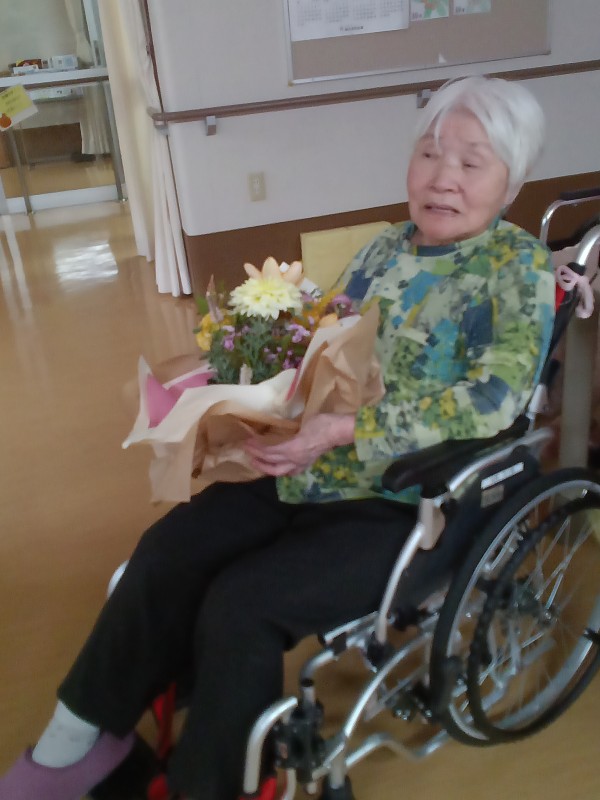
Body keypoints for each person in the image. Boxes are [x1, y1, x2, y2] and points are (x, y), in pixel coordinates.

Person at [0, 75, 555, 800]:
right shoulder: (383, 248)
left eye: (471, 162)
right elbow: (323, 345)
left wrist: (343, 428)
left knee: (242, 605)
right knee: (169, 549)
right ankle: (78, 741)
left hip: (410, 501)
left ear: (513, 182)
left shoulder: (517, 268)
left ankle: (218, 784)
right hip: (308, 469)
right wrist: (244, 389)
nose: (442, 177)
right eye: (429, 153)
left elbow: (494, 400)